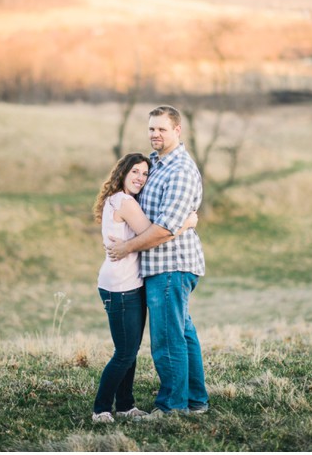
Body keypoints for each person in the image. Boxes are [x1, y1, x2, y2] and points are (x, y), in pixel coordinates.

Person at [107, 106, 209, 417]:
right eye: (152, 129)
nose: (155, 134)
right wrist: (186, 222)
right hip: (159, 265)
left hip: (171, 265)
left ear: (178, 131)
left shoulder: (180, 171)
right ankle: (195, 401)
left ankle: (171, 408)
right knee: (182, 331)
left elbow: (164, 230)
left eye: (162, 129)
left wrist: (127, 247)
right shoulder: (155, 163)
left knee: (166, 338)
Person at [91, 152, 197, 423]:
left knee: (130, 349)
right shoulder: (125, 202)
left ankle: (126, 405)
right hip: (120, 287)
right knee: (124, 352)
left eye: (145, 173)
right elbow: (154, 232)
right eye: (135, 172)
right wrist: (187, 223)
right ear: (123, 173)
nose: (140, 178)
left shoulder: (121, 200)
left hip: (129, 283)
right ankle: (101, 408)